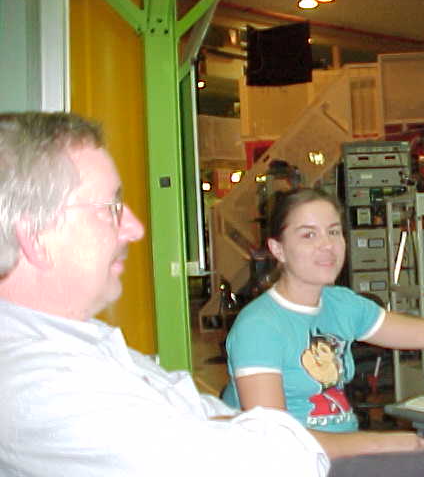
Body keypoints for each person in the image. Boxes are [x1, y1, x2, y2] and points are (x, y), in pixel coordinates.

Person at [0, 112, 329, 476]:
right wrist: (243, 431)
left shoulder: (79, 340)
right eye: (110, 209)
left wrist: (223, 430)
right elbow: (275, 465)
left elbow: (210, 421)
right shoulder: (40, 386)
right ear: (35, 237)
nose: (135, 229)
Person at [222, 187, 424, 464]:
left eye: (333, 232)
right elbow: (277, 440)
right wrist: (381, 443)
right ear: (278, 249)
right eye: (309, 235)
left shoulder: (341, 304)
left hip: (346, 452)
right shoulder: (260, 326)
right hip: (302, 464)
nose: (327, 245)